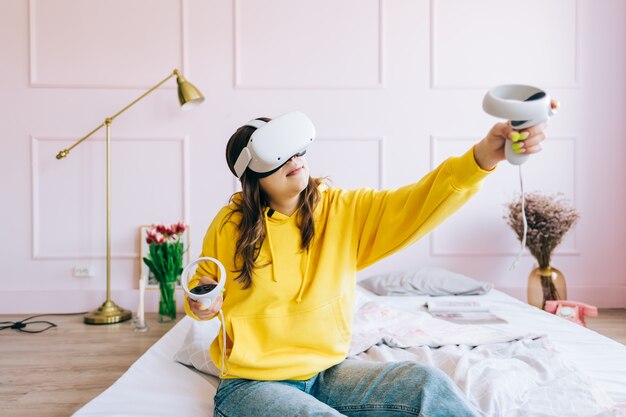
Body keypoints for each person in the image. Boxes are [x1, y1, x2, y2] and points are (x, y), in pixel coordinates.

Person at [185, 113, 546, 416]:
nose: (294, 158)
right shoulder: (230, 226)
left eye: (296, 149)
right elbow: (203, 286)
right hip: (252, 385)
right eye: (277, 155)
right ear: (253, 174)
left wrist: (483, 157)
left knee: (427, 385)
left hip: (326, 373)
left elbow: (415, 202)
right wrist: (202, 303)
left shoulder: (341, 211)